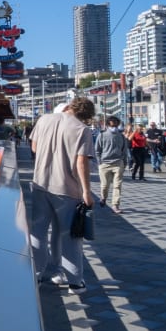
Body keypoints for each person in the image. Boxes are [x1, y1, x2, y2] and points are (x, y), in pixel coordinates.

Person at [29, 96, 97, 294]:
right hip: (67, 189)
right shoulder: (82, 130)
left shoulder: (44, 119)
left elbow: (33, 147)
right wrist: (86, 191)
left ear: (68, 106)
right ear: (86, 116)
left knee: (38, 233)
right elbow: (81, 162)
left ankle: (37, 274)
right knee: (69, 235)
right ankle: (75, 282)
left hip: (40, 184)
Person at [96, 116, 129, 214]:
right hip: (105, 163)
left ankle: (115, 205)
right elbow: (97, 150)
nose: (113, 122)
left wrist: (124, 162)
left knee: (117, 185)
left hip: (118, 163)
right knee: (105, 185)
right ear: (107, 123)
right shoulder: (102, 135)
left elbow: (124, 150)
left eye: (115, 121)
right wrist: (99, 162)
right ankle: (103, 197)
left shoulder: (121, 136)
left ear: (118, 123)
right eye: (111, 121)